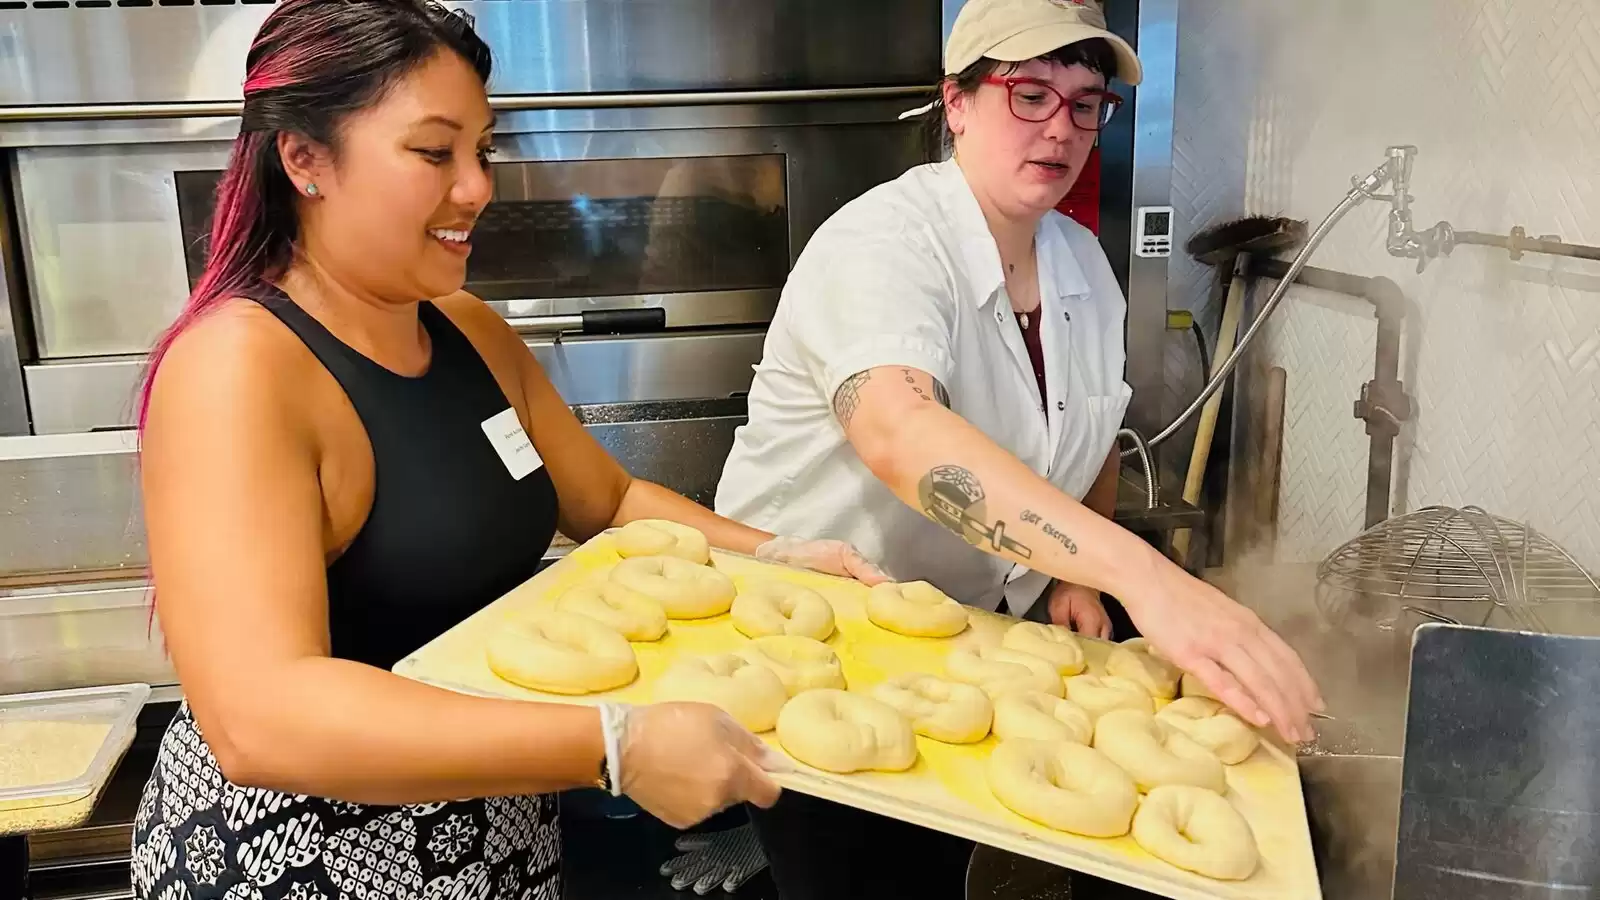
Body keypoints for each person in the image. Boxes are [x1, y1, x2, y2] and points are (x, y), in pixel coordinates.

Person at [128, 2, 884, 898]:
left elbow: (606, 503)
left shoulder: (465, 330)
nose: (478, 188)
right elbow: (260, 719)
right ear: (304, 158)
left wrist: (781, 558)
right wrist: (613, 745)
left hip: (496, 837)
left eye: (483, 150)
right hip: (303, 862)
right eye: (433, 151)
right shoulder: (239, 369)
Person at [713, 0, 1326, 896]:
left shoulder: (1080, 262)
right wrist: (1145, 578)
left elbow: (1095, 435)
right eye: (1028, 93)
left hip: (950, 647)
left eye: (1086, 103)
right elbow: (900, 431)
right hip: (812, 639)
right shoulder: (882, 243)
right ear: (955, 103)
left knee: (924, 867)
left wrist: (1077, 572)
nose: (1062, 128)